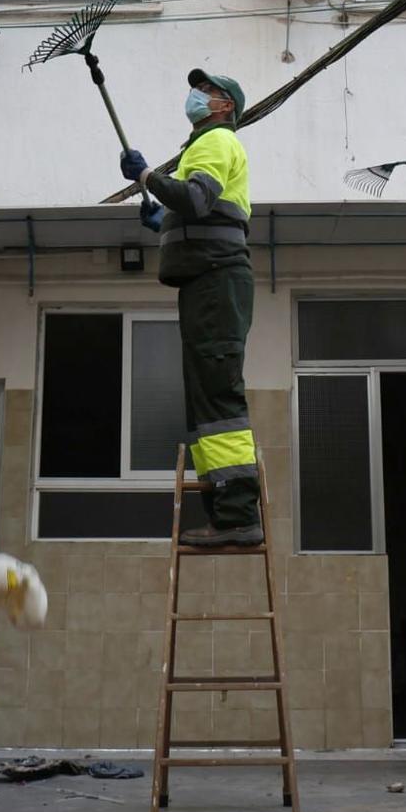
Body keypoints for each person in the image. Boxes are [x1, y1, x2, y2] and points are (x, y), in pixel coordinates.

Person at [119, 69, 262, 547]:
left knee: (219, 397)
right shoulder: (201, 147)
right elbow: (195, 211)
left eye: (206, 91)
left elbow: (196, 199)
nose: (196, 96)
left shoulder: (215, 140)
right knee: (206, 403)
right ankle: (223, 514)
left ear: (225, 106)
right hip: (208, 283)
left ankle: (239, 515)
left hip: (217, 282)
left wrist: (146, 177)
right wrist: (162, 219)